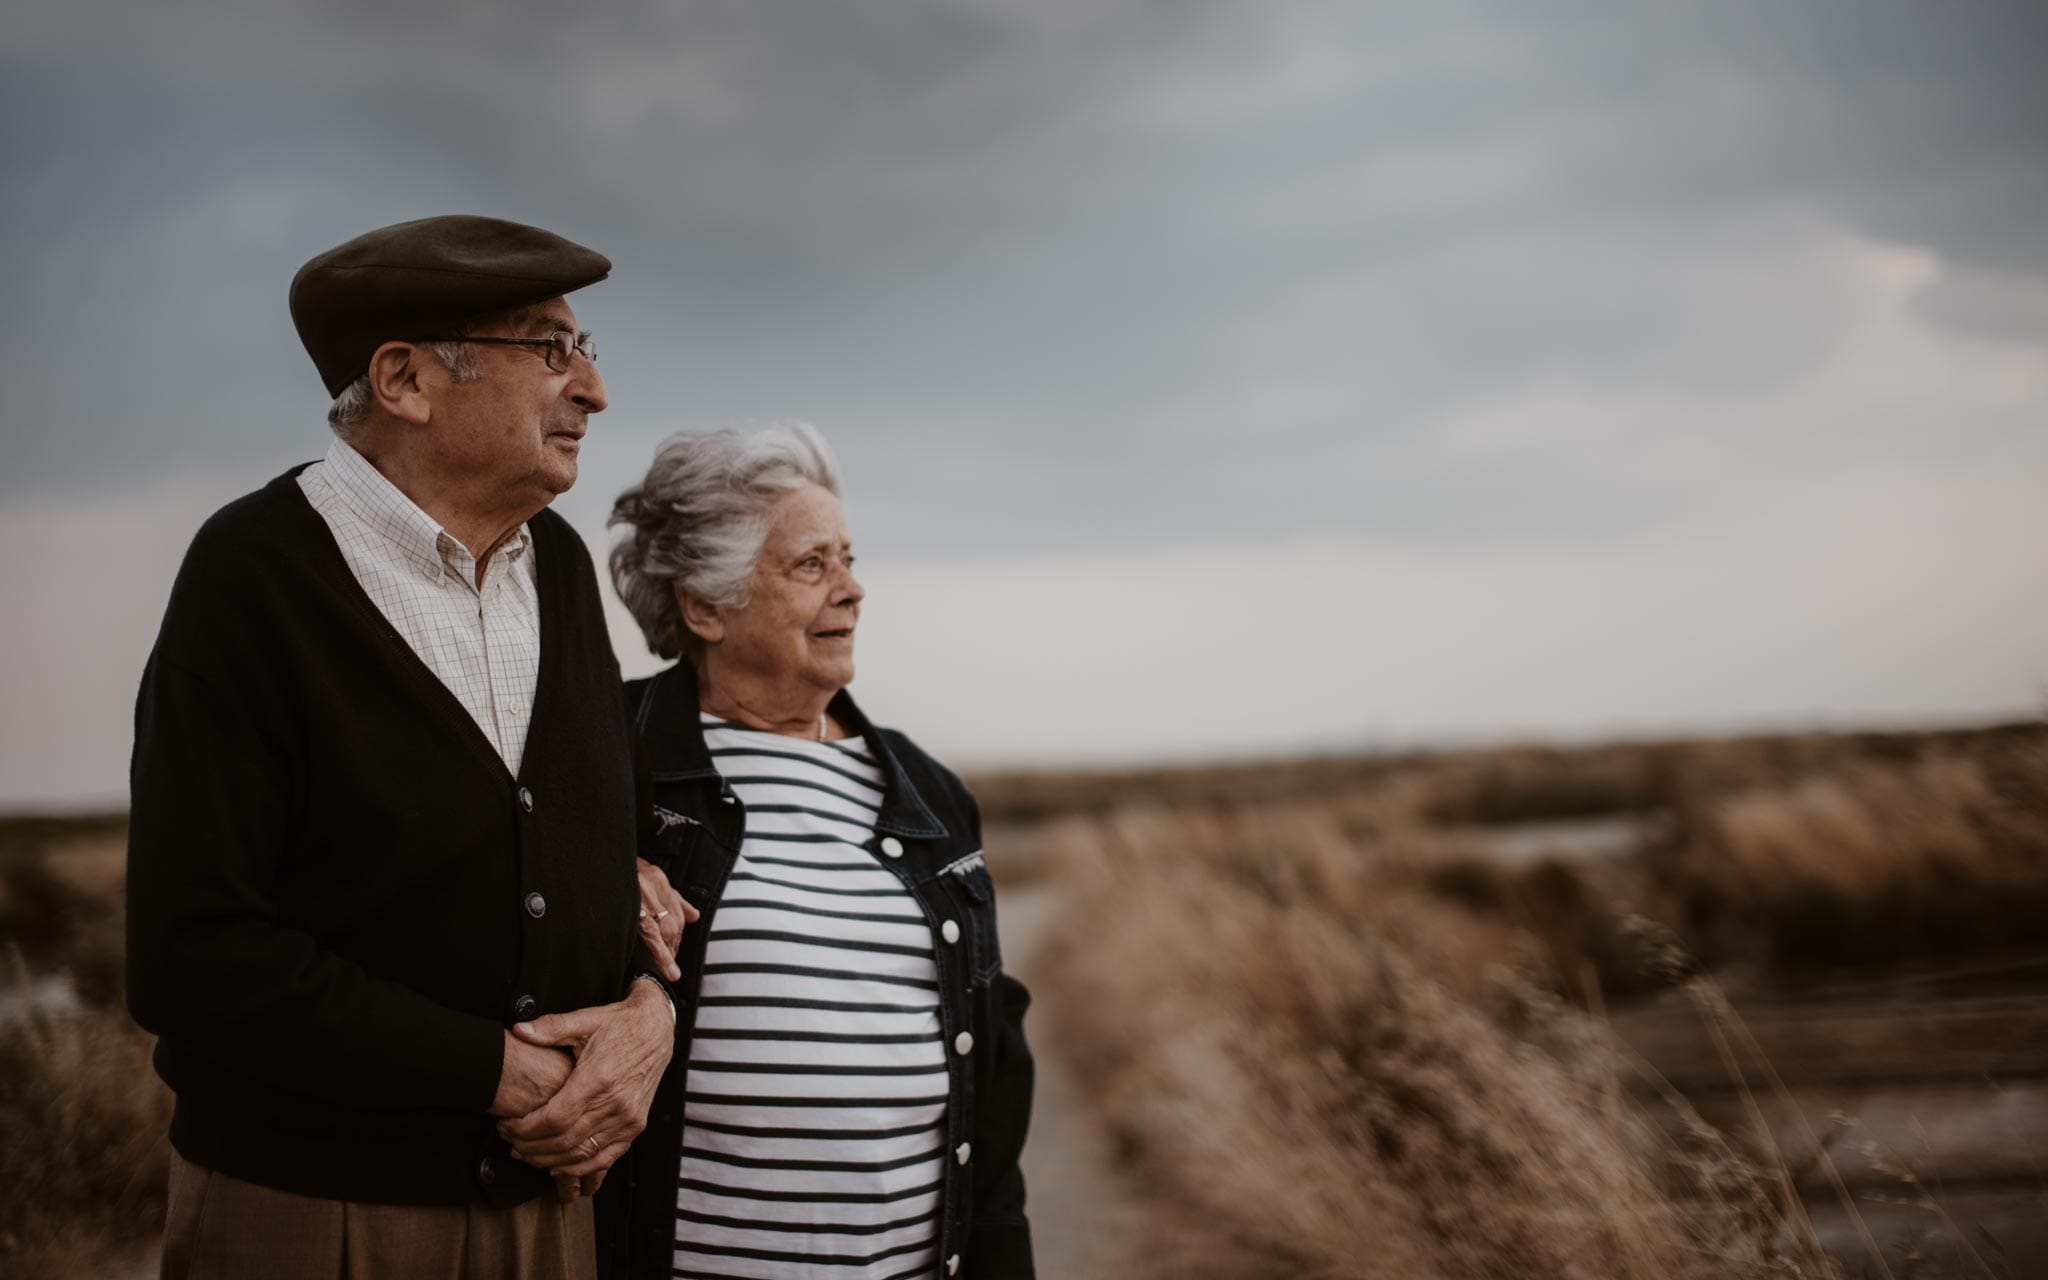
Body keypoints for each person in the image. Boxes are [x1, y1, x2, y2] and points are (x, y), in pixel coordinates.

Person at [126, 215, 674, 1280]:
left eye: (587, 348)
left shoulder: (557, 567)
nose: (593, 390)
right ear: (404, 379)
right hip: (313, 1212)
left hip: (546, 1209)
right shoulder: (254, 575)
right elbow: (191, 954)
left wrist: (646, 1014)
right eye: (549, 348)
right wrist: (496, 1072)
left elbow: (625, 841)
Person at [599, 423, 1036, 1280]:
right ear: (704, 607)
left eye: (848, 558)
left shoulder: (931, 792)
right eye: (811, 566)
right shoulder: (608, 764)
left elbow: (996, 1096)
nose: (853, 590)